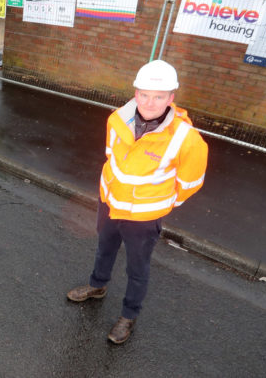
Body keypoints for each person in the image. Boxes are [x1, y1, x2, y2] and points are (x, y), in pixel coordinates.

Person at [66, 59, 208, 344]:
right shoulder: (118, 118)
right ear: (135, 92)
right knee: (104, 250)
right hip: (109, 204)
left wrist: (160, 204)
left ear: (171, 98)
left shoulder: (187, 139)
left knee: (137, 268)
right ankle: (98, 286)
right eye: (144, 94)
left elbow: (190, 184)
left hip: (143, 219)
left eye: (158, 97)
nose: (150, 102)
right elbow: (111, 155)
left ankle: (128, 316)